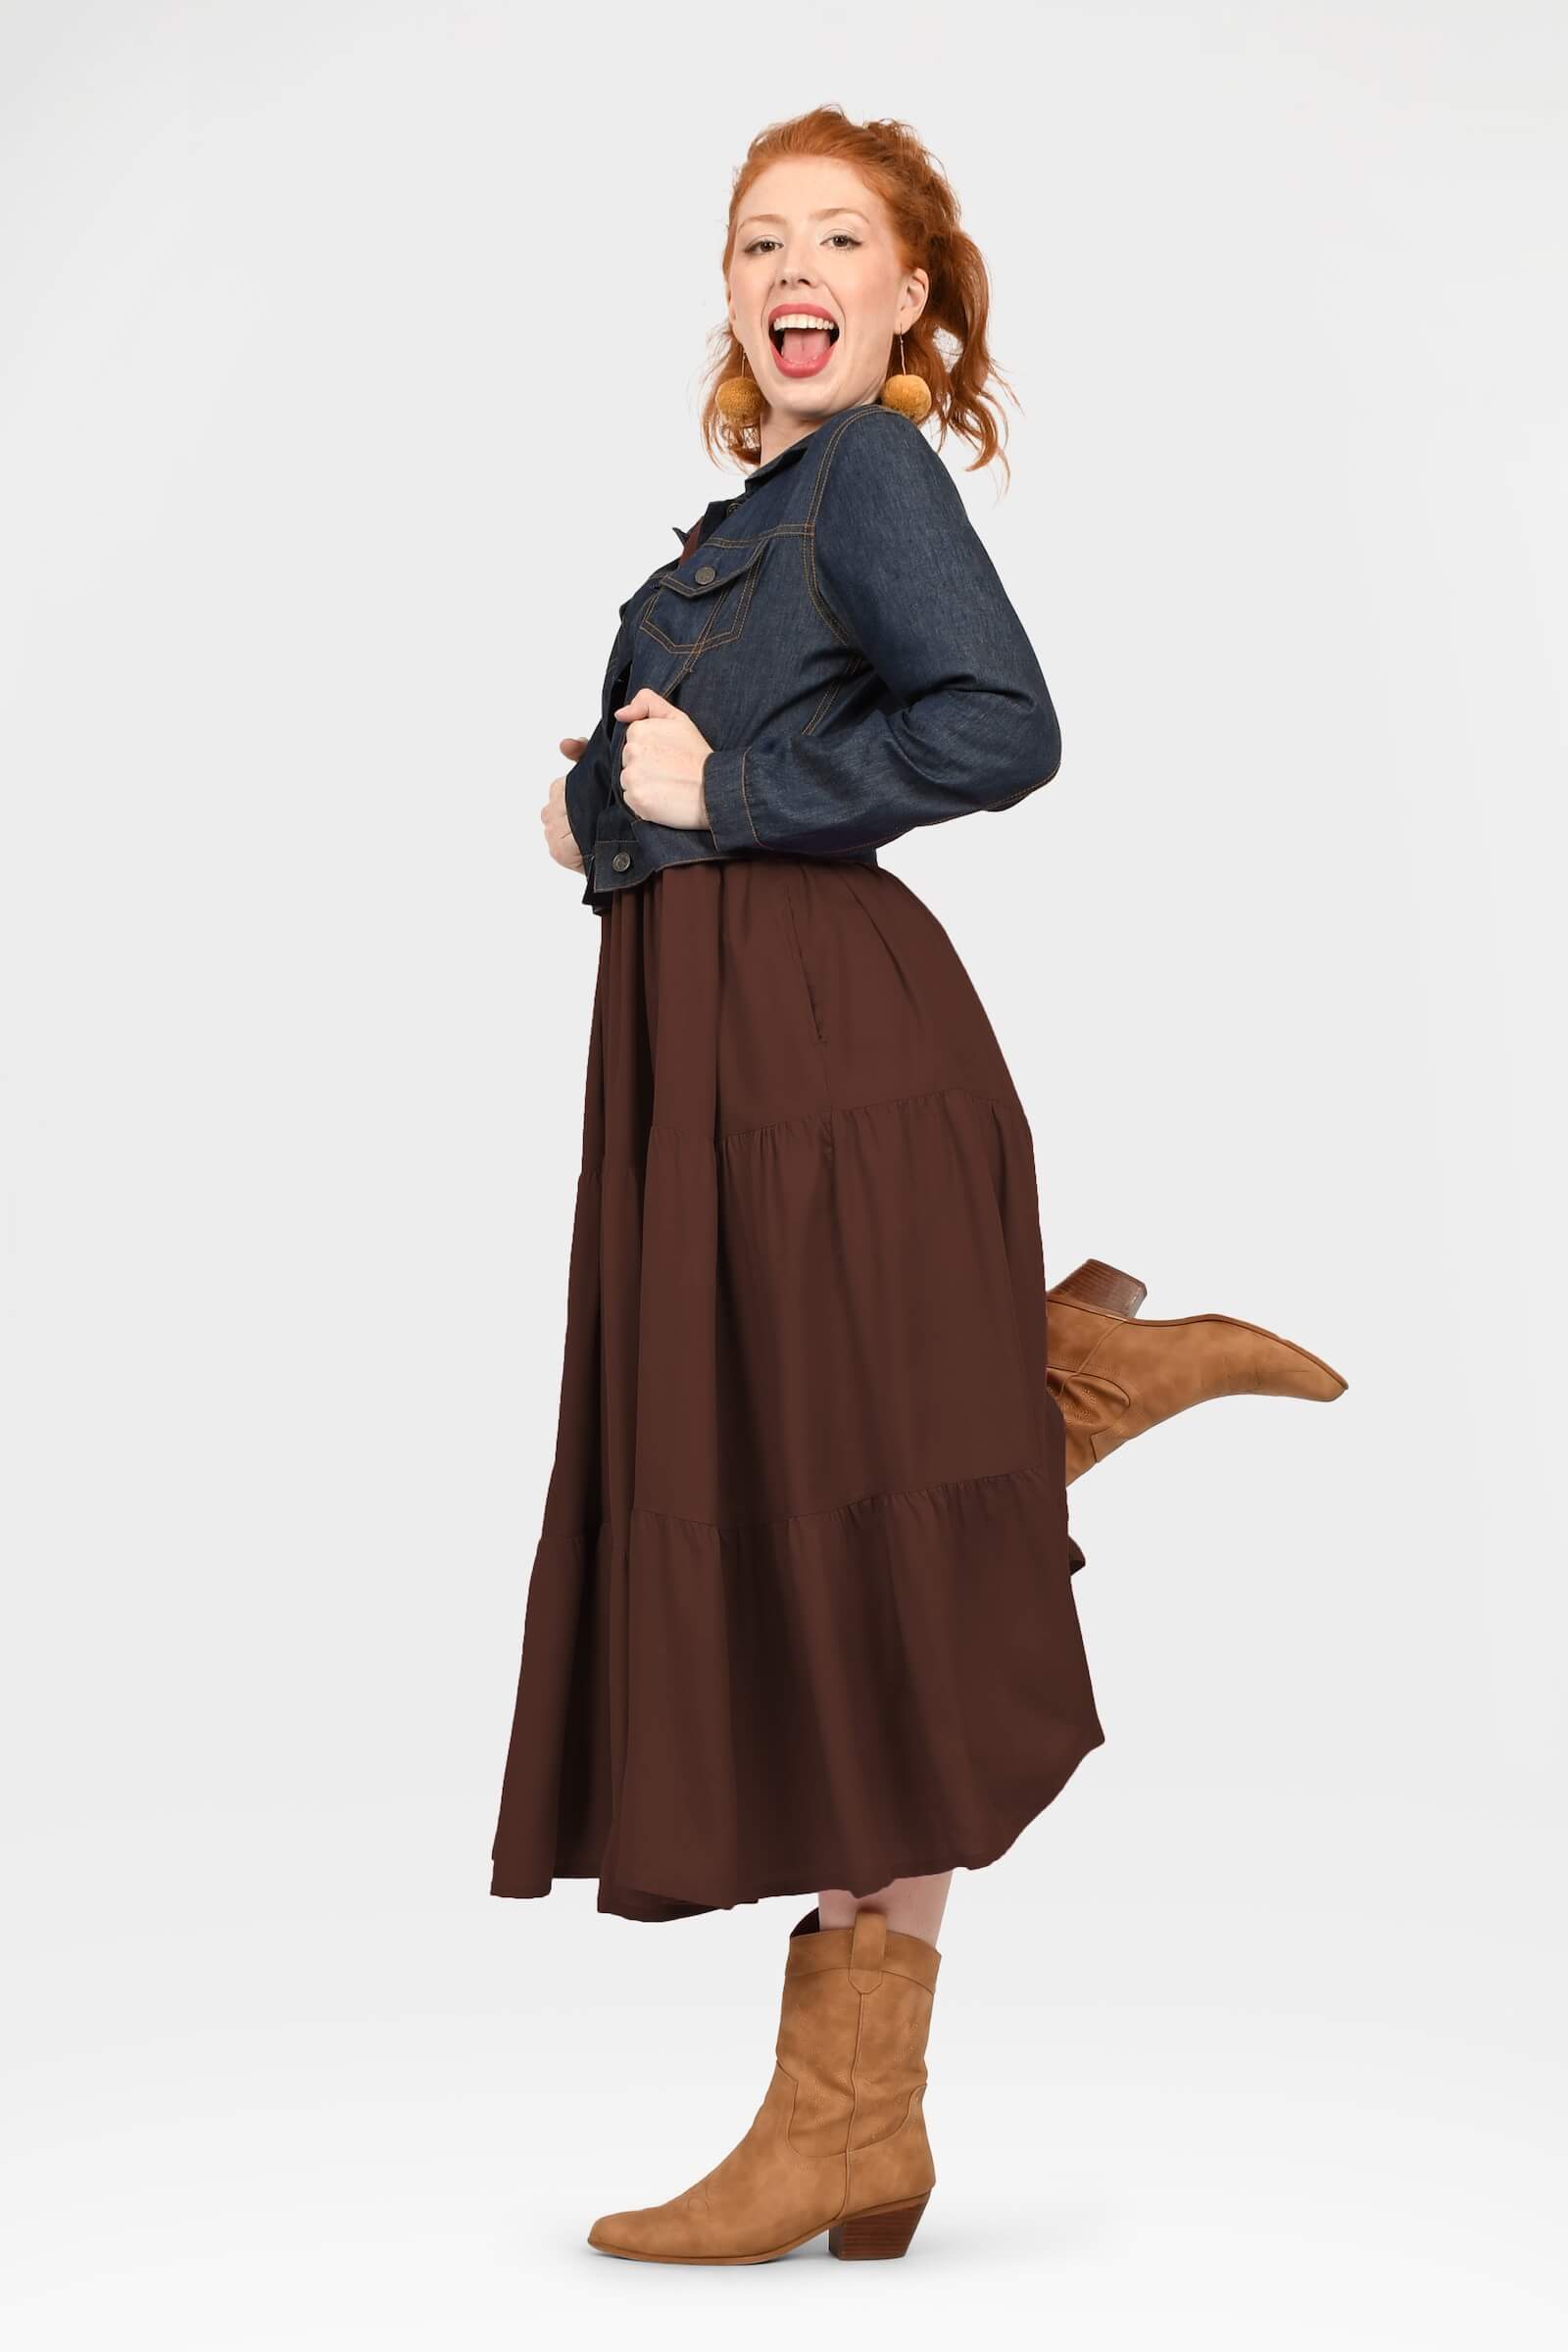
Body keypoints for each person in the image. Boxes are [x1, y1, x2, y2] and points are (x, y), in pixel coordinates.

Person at [490, 106, 1145, 2266]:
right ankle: (1042, 1386)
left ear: (905, 295)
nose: (794, 270)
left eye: (839, 240)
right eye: (761, 239)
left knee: (860, 1531)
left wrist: (732, 784)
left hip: (829, 1065)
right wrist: (603, 813)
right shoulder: (736, 526)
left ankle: (840, 2126)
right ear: (730, 288)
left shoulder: (868, 472)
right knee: (826, 1513)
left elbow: (1002, 727)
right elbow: (677, 798)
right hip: (712, 1077)